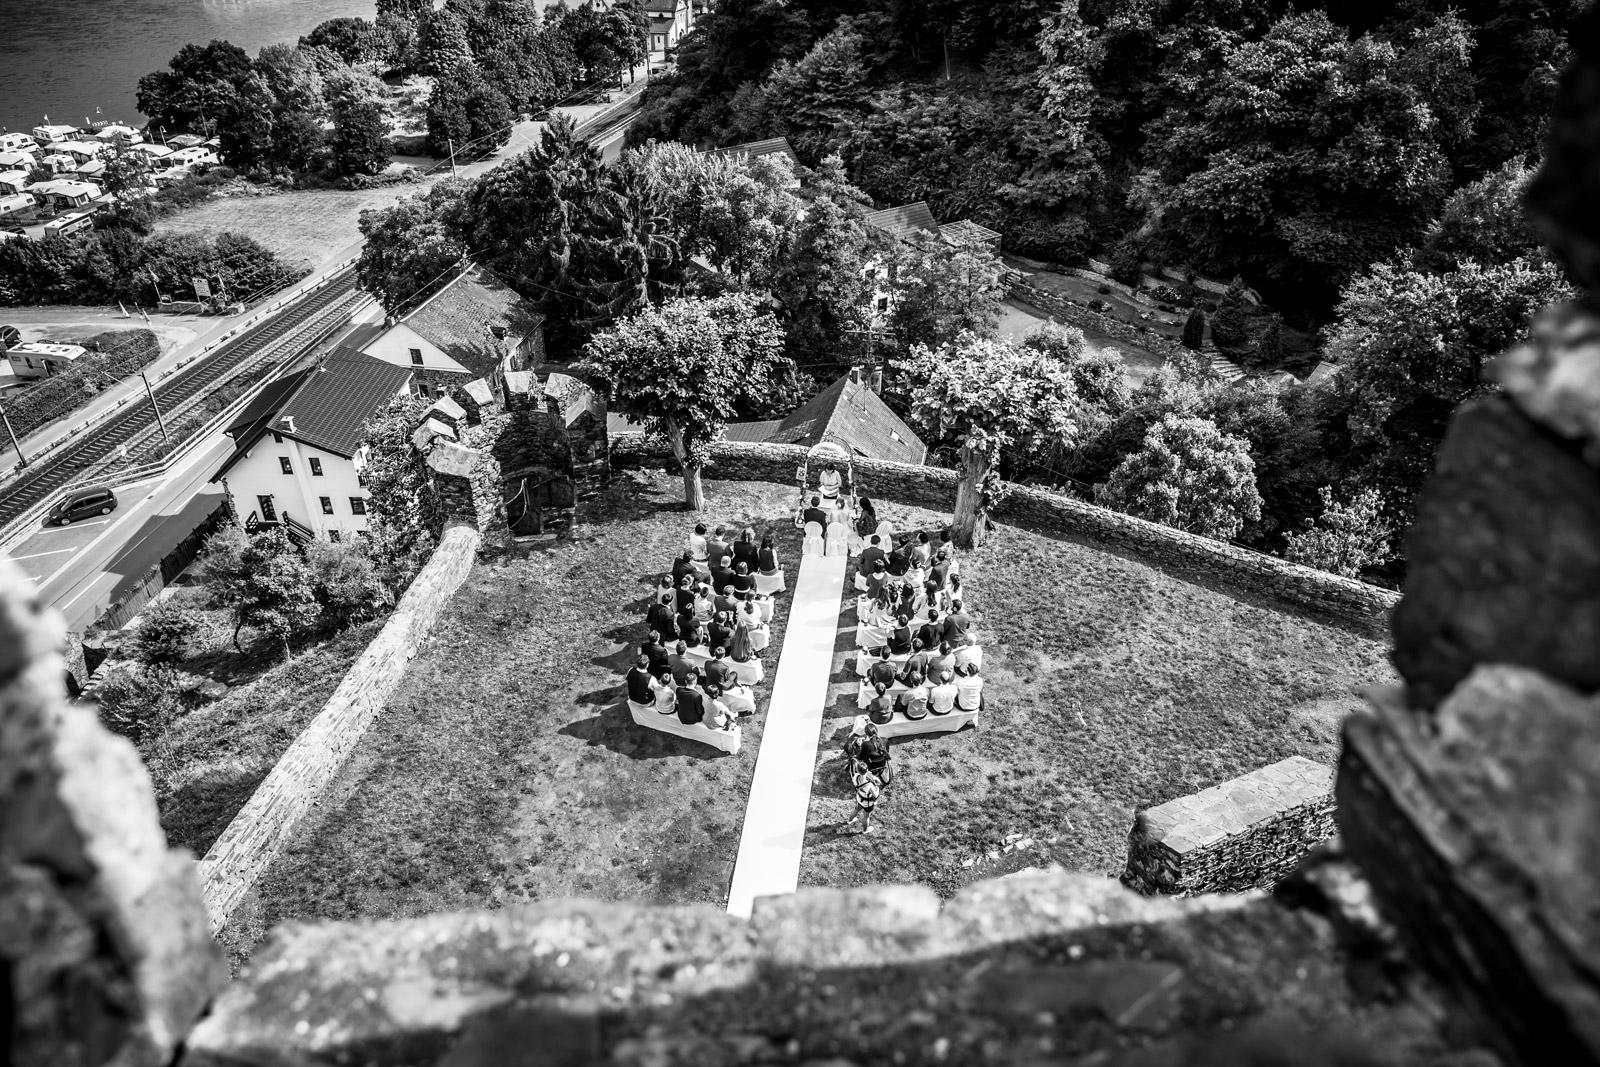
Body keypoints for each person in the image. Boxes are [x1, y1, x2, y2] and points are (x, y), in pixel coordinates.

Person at [841, 761, 882, 835]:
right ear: (867, 770)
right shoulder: (869, 785)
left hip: (859, 798)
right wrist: (877, 787)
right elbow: (875, 795)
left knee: (856, 809)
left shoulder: (855, 776)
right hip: (867, 802)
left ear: (857, 770)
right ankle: (865, 830)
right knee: (866, 816)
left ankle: (850, 821)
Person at [859, 721, 893, 787]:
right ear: (876, 731)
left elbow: (861, 757)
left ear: (866, 734)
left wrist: (861, 745)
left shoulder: (865, 745)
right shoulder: (885, 740)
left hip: (871, 766)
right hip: (882, 764)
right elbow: (887, 752)